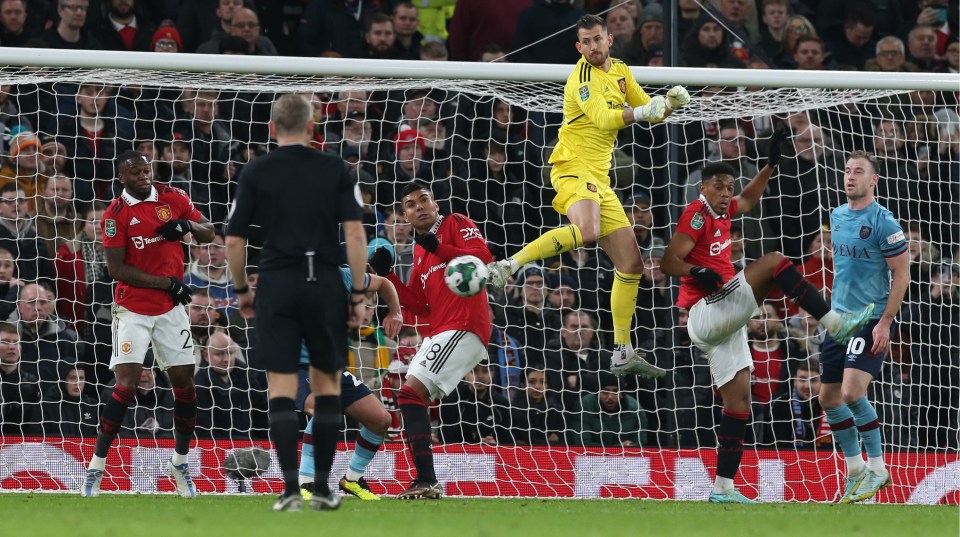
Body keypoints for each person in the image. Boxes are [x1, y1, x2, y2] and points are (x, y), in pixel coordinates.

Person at [660, 133, 876, 504]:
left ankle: (722, 489)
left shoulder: (722, 210)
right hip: (705, 312)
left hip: (721, 323)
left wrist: (770, 166)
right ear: (703, 187)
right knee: (775, 262)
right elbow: (667, 261)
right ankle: (836, 324)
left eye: (728, 186)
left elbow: (748, 199)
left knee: (738, 403)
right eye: (718, 187)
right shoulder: (696, 213)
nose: (726, 193)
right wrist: (695, 273)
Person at [487, 14, 689, 378]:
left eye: (599, 40)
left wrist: (670, 103)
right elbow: (604, 118)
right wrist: (647, 109)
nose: (594, 47)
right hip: (572, 167)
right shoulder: (581, 78)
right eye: (587, 42)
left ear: (609, 39)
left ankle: (623, 351)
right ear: (579, 47)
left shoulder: (622, 70)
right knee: (589, 231)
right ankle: (509, 266)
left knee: (631, 266)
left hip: (600, 179)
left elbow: (650, 111)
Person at [225, 94, 367, 512]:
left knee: (283, 390)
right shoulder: (337, 168)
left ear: (272, 129)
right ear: (311, 128)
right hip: (323, 282)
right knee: (326, 390)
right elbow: (355, 235)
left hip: (278, 281)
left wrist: (242, 291)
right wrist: (356, 294)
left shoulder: (255, 170)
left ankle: (289, 489)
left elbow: (234, 239)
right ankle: (322, 488)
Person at [81, 150, 216, 498]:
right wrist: (167, 283)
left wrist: (188, 225)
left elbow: (209, 233)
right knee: (125, 384)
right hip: (133, 310)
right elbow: (117, 270)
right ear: (121, 177)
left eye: (147, 170)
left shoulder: (173, 196)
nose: (144, 176)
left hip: (171, 311)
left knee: (185, 386)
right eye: (136, 173)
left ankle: (180, 463)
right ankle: (96, 467)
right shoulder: (115, 215)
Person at [366, 181, 493, 499]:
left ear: (436, 205)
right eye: (410, 204)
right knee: (409, 396)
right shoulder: (421, 249)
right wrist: (388, 275)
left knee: (410, 394)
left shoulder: (455, 223)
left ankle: (426, 479)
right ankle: (425, 480)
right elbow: (418, 303)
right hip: (442, 329)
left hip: (464, 324)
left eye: (424, 200)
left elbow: (482, 257)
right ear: (405, 216)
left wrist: (440, 248)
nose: (418, 206)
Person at [819, 151, 909, 504]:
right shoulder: (836, 216)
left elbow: (901, 273)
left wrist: (886, 321)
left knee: (852, 393)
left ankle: (878, 467)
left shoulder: (884, 222)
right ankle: (855, 469)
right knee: (827, 398)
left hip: (870, 319)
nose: (850, 176)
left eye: (859, 172)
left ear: (874, 180)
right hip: (838, 320)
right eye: (847, 171)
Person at [298, 263, 402, 501]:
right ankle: (305, 482)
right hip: (296, 364)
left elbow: (384, 283)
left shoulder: (342, 275)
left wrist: (395, 311)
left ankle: (352, 479)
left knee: (381, 420)